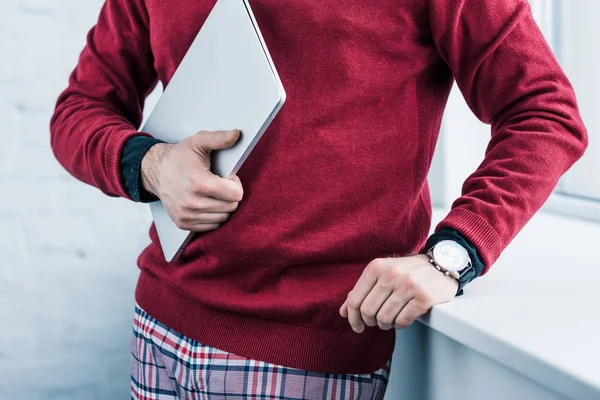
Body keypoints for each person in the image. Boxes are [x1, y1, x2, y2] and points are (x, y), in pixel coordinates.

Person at [50, 0, 587, 398]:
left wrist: (454, 254)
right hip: (159, 323)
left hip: (307, 354)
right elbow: (80, 108)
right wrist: (151, 165)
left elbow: (545, 114)